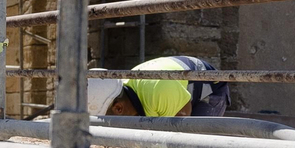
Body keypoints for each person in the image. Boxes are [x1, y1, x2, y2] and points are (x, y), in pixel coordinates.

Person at [87, 56, 230, 118]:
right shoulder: (123, 90)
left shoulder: (157, 90)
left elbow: (184, 120)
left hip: (210, 87)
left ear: (118, 108)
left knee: (192, 140)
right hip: (175, 86)